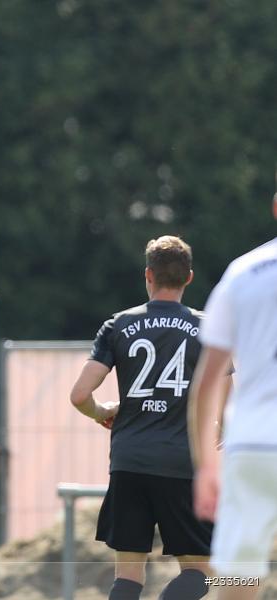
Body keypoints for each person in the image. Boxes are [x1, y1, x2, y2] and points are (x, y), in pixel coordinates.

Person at [69, 236, 212, 600]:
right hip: (181, 464)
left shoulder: (118, 325)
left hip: (129, 462)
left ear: (148, 274)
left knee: (128, 577)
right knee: (200, 574)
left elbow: (80, 395)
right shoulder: (207, 328)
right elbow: (225, 403)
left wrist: (103, 412)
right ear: (189, 277)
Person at [189, 194, 277, 600]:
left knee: (237, 580)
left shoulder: (242, 272)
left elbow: (208, 382)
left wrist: (207, 465)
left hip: (254, 443)